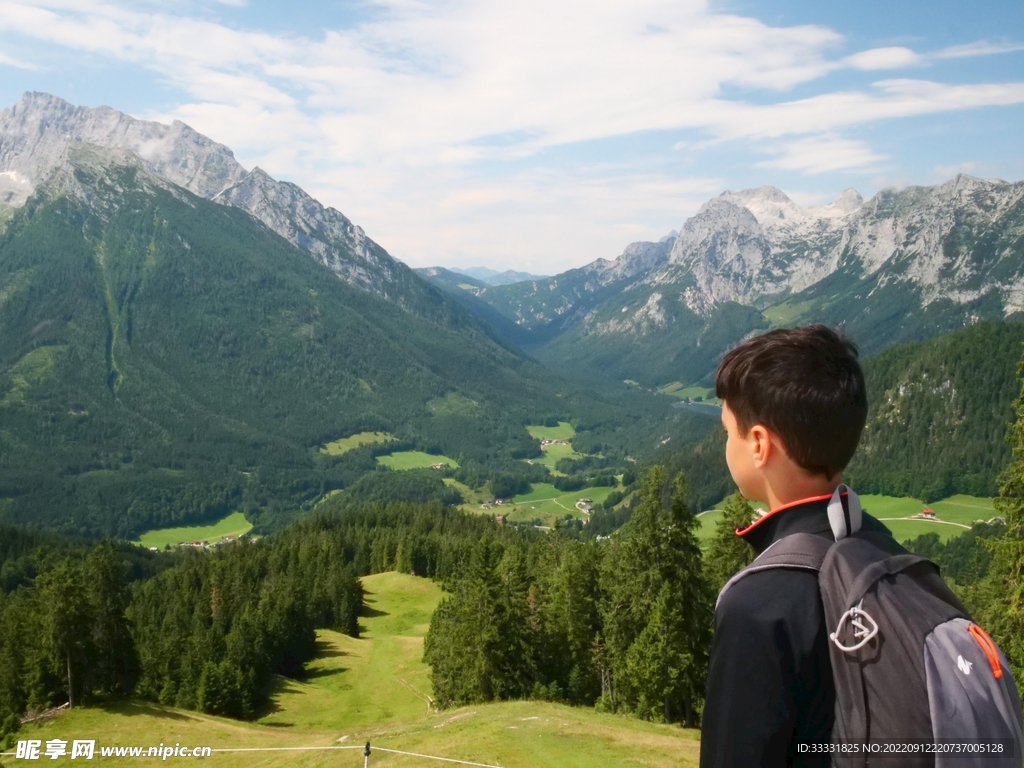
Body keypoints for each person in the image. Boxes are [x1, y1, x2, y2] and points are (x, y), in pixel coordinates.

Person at [699, 324, 892, 767]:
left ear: (760, 445)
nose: (726, 444)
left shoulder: (760, 606)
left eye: (729, 431)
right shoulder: (880, 545)